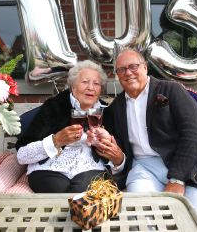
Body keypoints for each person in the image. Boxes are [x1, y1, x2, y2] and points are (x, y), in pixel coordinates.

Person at [95, 48, 197, 232]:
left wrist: (177, 180)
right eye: (122, 69)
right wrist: (111, 149)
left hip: (188, 166)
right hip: (143, 169)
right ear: (117, 75)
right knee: (143, 221)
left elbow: (193, 135)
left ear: (145, 68)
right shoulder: (116, 108)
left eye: (133, 66)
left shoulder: (172, 90)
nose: (128, 72)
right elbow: (119, 149)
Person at [15, 60, 124, 193]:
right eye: (85, 82)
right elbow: (22, 155)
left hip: (90, 168)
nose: (91, 87)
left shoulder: (106, 112)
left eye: (96, 83)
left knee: (84, 193)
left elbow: (119, 160)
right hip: (50, 168)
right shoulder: (54, 107)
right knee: (57, 191)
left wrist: (110, 150)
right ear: (73, 86)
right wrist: (56, 141)